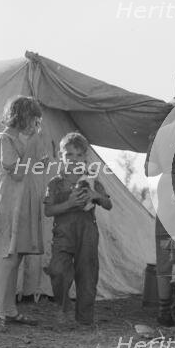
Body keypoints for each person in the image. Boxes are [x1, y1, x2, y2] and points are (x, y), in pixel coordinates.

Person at [43, 132, 112, 326]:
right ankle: (63, 307)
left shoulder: (91, 180)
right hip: (63, 233)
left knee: (87, 273)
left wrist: (95, 195)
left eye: (79, 155)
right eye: (69, 155)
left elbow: (108, 204)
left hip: (87, 232)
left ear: (86, 158)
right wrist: (69, 203)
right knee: (57, 269)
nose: (74, 160)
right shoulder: (55, 183)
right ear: (60, 156)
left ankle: (84, 318)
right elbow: (48, 210)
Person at [0, 96, 45, 333]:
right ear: (22, 116)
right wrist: (33, 144)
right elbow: (17, 172)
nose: (34, 124)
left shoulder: (19, 141)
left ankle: (10, 310)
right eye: (33, 118)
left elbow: (33, 166)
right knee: (8, 259)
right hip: (11, 207)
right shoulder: (4, 139)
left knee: (17, 258)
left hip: (23, 205)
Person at [145, 109, 175, 327]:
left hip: (166, 193)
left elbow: (150, 171)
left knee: (165, 256)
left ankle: (164, 311)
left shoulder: (158, 134)